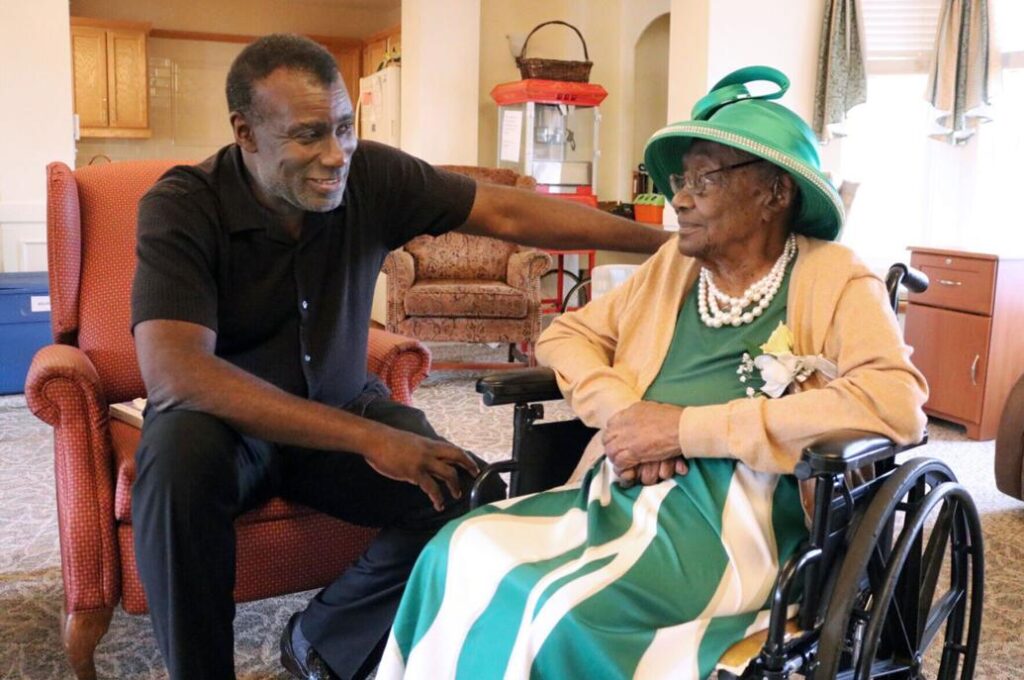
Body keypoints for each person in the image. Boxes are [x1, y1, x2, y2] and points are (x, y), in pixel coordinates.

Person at [130, 33, 670, 680]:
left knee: (460, 488)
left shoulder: (374, 175)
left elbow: (505, 213)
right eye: (307, 136)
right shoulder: (183, 205)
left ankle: (319, 637)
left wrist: (670, 244)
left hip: (336, 403)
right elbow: (176, 374)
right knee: (173, 462)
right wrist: (368, 439)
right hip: (226, 429)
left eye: (343, 128)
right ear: (245, 133)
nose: (335, 156)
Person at [376, 65, 928, 679]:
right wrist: (622, 412)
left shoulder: (836, 276)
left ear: (776, 193)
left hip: (736, 521)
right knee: (456, 550)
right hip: (624, 485)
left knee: (564, 609)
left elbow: (894, 403)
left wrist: (686, 429)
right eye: (679, 178)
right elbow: (568, 333)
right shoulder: (674, 266)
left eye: (704, 178)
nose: (679, 197)